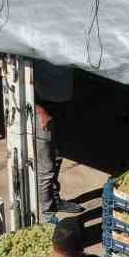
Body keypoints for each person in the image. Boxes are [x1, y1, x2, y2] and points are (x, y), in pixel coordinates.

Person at [33, 61, 85, 215]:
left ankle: (54, 200)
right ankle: (47, 210)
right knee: (46, 166)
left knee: (56, 157)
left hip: (62, 105)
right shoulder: (33, 44)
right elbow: (24, 78)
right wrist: (40, 110)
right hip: (43, 110)